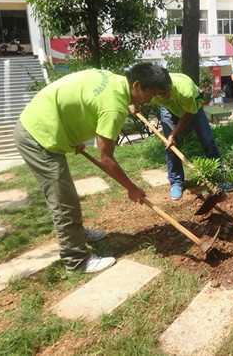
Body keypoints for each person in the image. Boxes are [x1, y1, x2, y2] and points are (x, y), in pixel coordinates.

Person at [14, 63, 172, 274]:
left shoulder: (112, 78)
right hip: (37, 135)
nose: (151, 100)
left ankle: (78, 233)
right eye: (151, 94)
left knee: (66, 194)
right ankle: (76, 260)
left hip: (44, 122)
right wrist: (131, 188)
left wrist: (70, 135)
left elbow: (81, 99)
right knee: (63, 200)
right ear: (136, 85)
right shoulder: (114, 107)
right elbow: (106, 158)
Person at [148, 71, 227, 200]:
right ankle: (176, 182)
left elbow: (188, 114)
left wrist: (174, 133)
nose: (163, 96)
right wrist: (134, 105)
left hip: (193, 107)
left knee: (207, 139)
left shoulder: (185, 91)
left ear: (171, 86)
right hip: (168, 109)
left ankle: (220, 178)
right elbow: (135, 96)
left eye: (166, 93)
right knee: (170, 146)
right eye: (160, 94)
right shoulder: (153, 92)